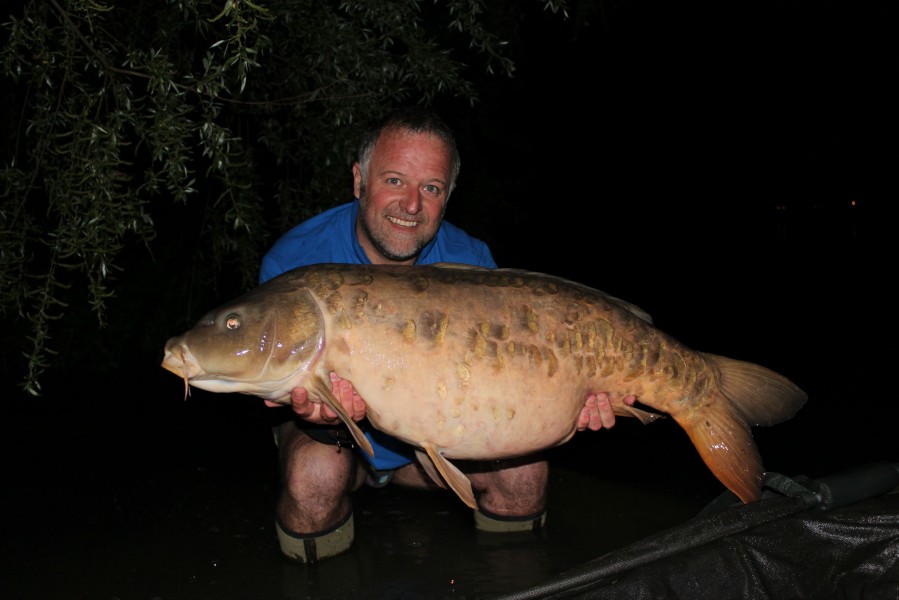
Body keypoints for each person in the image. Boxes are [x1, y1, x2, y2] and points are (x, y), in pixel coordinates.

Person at [259, 107, 634, 563]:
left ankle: (510, 584)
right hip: (340, 447)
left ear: (448, 196)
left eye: (430, 188)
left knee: (524, 476)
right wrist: (324, 412)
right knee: (312, 480)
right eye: (394, 180)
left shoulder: (472, 263)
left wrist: (568, 400)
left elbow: (513, 383)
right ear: (359, 180)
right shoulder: (295, 264)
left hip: (432, 446)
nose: (411, 205)